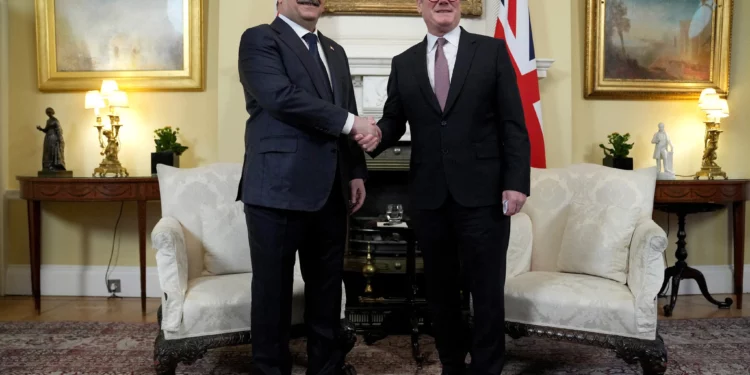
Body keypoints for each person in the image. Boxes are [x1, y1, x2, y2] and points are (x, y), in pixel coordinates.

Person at [355, 0, 531, 373]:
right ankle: (452, 364)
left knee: (485, 292)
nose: (442, 1)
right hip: (429, 197)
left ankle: (487, 367)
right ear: (420, 6)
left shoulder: (491, 51)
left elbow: (513, 123)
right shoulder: (404, 62)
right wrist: (375, 135)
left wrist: (516, 183)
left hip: (484, 195)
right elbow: (394, 120)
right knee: (440, 293)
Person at [236, 0, 379, 374]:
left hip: (331, 190)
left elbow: (346, 107)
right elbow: (281, 98)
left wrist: (356, 172)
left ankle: (327, 367)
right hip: (276, 188)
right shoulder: (260, 39)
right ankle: (271, 369)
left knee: (327, 290)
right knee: (273, 293)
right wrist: (353, 123)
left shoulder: (335, 51)